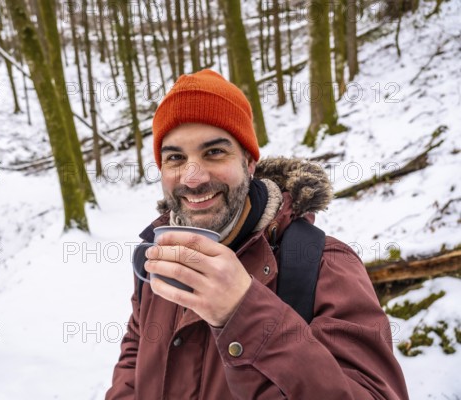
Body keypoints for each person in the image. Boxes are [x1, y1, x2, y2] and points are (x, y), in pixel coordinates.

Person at [106, 69, 409, 399]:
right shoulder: (159, 253)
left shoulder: (321, 265)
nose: (192, 178)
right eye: (176, 157)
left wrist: (243, 311)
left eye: (214, 152)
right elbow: (134, 360)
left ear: (249, 162)